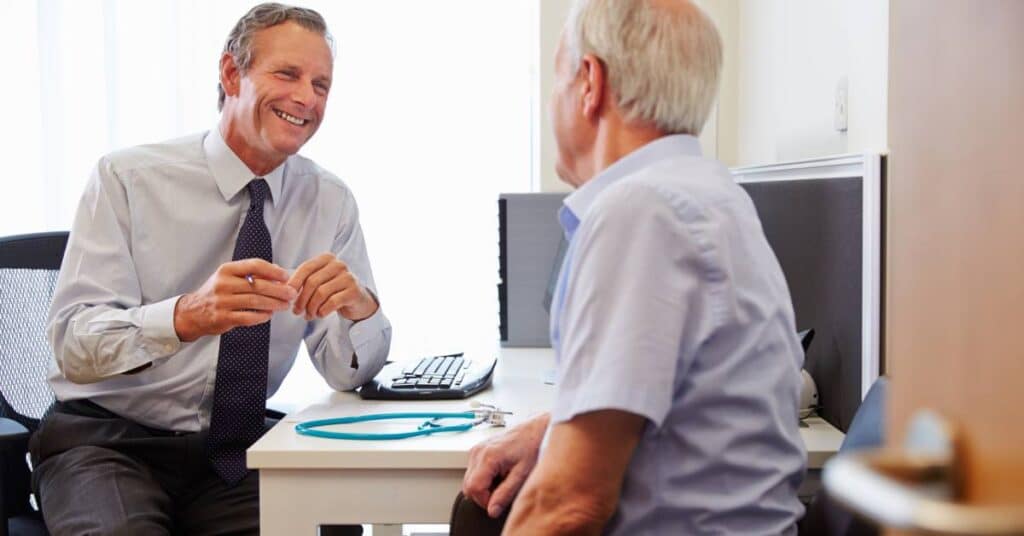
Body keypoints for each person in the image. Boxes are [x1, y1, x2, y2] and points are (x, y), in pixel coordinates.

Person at [32, 4, 388, 535]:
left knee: (322, 526)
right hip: (109, 443)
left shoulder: (329, 201)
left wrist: (361, 310)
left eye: (321, 85)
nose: (306, 98)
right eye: (287, 74)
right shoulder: (127, 178)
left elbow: (346, 371)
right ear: (230, 73)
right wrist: (186, 317)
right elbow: (72, 343)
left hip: (238, 454)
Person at [457, 0, 806, 534]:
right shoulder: (710, 195)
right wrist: (554, 428)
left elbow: (571, 502)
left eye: (556, 80)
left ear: (590, 83)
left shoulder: (641, 210)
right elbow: (679, 397)